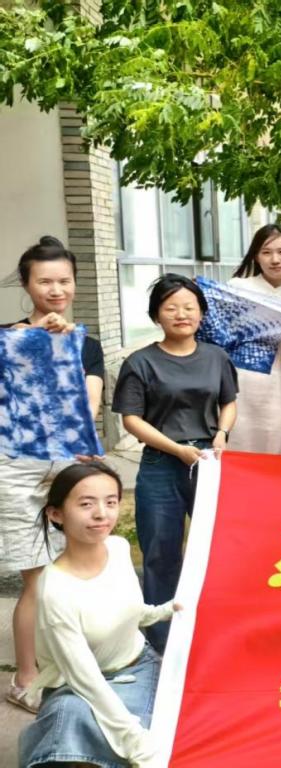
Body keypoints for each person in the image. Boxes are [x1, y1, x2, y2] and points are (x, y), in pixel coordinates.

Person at [19, 462, 179, 768]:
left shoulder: (118, 548)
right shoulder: (54, 590)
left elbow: (129, 612)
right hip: (78, 684)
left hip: (139, 667)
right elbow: (85, 678)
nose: (101, 514)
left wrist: (167, 610)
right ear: (56, 514)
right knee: (73, 719)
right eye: (86, 504)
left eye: (111, 502)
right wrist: (136, 743)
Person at [2, 237, 104, 714]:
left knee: (75, 573)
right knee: (38, 582)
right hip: (16, 466)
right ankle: (25, 678)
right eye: (45, 281)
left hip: (68, 463)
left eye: (64, 281)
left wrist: (63, 348)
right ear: (26, 285)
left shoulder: (87, 344)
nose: (56, 290)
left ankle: (77, 667)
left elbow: (88, 404)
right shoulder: (6, 340)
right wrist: (34, 341)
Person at [112, 274, 237, 653]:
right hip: (161, 464)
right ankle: (161, 640)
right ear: (156, 315)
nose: (181, 314)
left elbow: (228, 402)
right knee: (161, 552)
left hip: (209, 463)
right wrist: (176, 449)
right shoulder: (140, 362)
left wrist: (222, 434)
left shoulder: (216, 357)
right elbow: (131, 420)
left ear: (201, 313)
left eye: (189, 307)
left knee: (216, 549)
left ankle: (214, 628)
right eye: (171, 308)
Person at [228, 224, 281, 454]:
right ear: (256, 257)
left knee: (273, 455)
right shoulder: (236, 289)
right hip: (236, 390)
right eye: (266, 252)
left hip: (275, 393)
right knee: (234, 455)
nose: (275, 259)